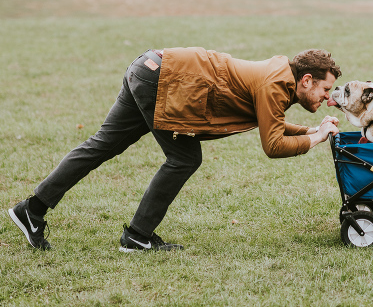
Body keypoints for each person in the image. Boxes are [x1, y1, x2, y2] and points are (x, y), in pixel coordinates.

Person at [8, 47, 342, 251]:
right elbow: (273, 144)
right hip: (163, 81)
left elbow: (274, 124)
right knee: (184, 158)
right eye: (325, 89)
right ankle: (137, 237)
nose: (327, 97)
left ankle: (32, 209)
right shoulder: (276, 84)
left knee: (101, 146)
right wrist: (315, 139)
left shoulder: (279, 77)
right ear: (307, 80)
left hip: (151, 68)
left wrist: (313, 129)